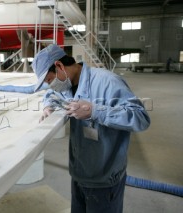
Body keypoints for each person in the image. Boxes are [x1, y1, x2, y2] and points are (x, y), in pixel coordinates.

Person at [32, 44, 150, 213]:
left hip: (104, 179)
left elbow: (141, 117)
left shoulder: (108, 82)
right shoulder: (66, 86)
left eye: (50, 80)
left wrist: (95, 111)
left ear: (59, 66)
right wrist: (48, 106)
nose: (51, 85)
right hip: (79, 174)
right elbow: (50, 95)